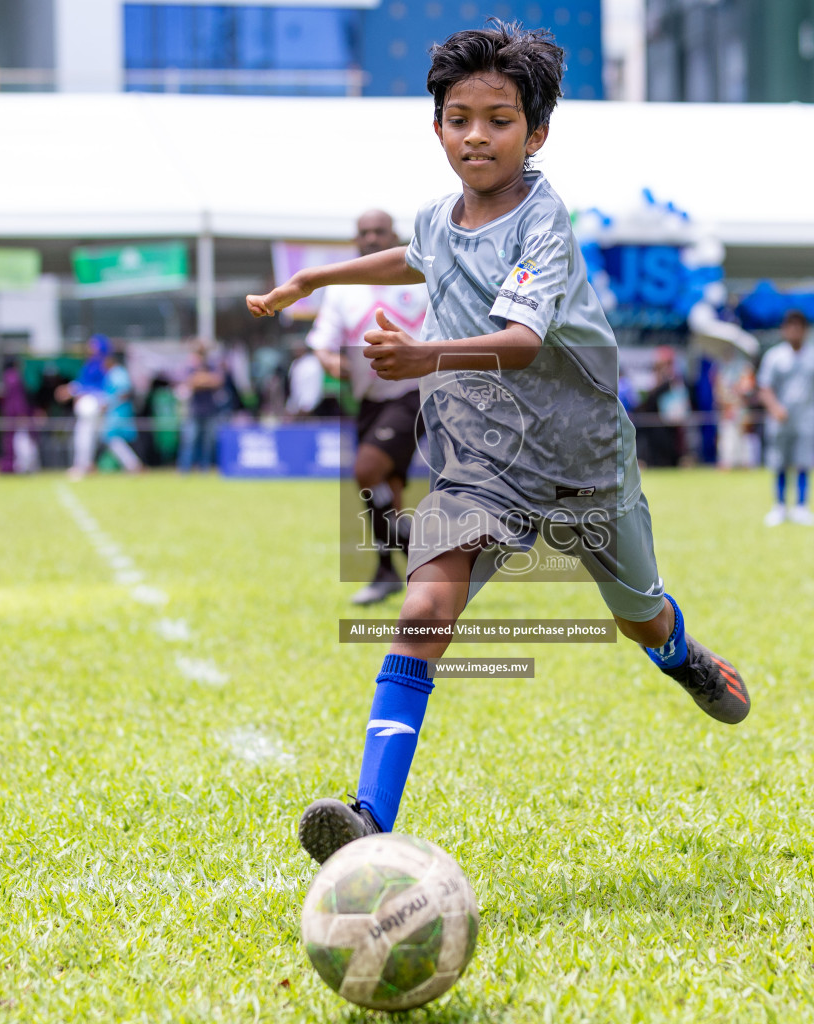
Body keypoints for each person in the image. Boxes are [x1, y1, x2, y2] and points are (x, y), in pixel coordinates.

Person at [246, 23, 750, 865]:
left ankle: (677, 649)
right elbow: (424, 256)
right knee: (423, 609)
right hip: (480, 464)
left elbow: (519, 339)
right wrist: (317, 277)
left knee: (635, 617)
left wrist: (420, 357)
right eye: (459, 117)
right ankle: (369, 818)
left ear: (537, 132)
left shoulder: (545, 223)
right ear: (437, 126)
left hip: (585, 464)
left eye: (499, 119)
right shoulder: (440, 217)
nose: (476, 134)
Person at [304, 209, 431, 606]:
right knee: (384, 489)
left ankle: (416, 564)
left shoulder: (422, 276)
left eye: (379, 231)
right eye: (364, 233)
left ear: (394, 234)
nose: (372, 238)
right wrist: (330, 362)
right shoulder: (341, 289)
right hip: (369, 398)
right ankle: (394, 571)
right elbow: (323, 341)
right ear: (355, 240)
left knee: (366, 470)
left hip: (417, 393)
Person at [757, 310, 814, 526]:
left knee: (804, 461)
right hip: (780, 419)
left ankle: (802, 506)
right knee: (779, 462)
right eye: (790, 326)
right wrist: (774, 408)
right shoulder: (774, 356)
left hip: (808, 417)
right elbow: (764, 387)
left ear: (806, 330)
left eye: (798, 327)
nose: (794, 331)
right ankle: (779, 506)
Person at [58, 335, 110, 480]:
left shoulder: (101, 364)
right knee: (87, 436)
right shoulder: (91, 363)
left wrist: (72, 391)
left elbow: (93, 387)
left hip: (94, 405)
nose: (89, 348)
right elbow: (83, 383)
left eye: (93, 345)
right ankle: (85, 465)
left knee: (87, 436)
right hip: (93, 405)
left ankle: (83, 466)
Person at [178, 340, 226, 473]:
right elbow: (191, 382)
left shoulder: (211, 365)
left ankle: (204, 470)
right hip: (194, 410)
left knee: (208, 442)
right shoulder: (190, 366)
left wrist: (201, 379)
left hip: (210, 410)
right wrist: (205, 380)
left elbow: (218, 381)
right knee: (189, 441)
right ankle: (184, 470)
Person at [636, 346, 687, 468]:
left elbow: (680, 400)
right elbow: (647, 400)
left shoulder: (675, 381)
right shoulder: (652, 379)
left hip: (669, 423)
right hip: (652, 423)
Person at [99, 347, 143, 473]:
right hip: (115, 413)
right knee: (113, 440)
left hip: (119, 413)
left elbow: (124, 392)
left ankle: (133, 465)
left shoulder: (118, 373)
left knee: (113, 439)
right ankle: (131, 465)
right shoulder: (114, 373)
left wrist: (109, 403)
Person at [0, 357, 38, 473]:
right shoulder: (13, 377)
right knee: (21, 440)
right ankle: (22, 466)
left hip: (11, 414)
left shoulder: (8, 376)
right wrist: (21, 413)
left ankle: (19, 466)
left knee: (16, 440)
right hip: (16, 414)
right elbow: (17, 399)